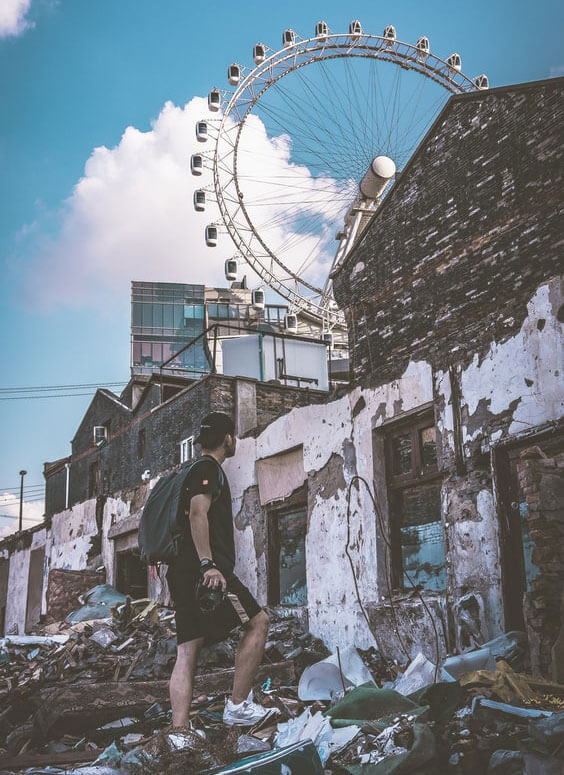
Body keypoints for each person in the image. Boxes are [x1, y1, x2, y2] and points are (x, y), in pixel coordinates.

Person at [167, 412, 274, 728]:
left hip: (182, 572)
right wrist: (208, 565)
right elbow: (198, 514)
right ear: (228, 438)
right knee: (258, 622)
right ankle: (239, 706)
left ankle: (179, 730)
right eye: (234, 436)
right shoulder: (207, 469)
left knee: (188, 650)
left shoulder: (191, 470)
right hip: (205, 574)